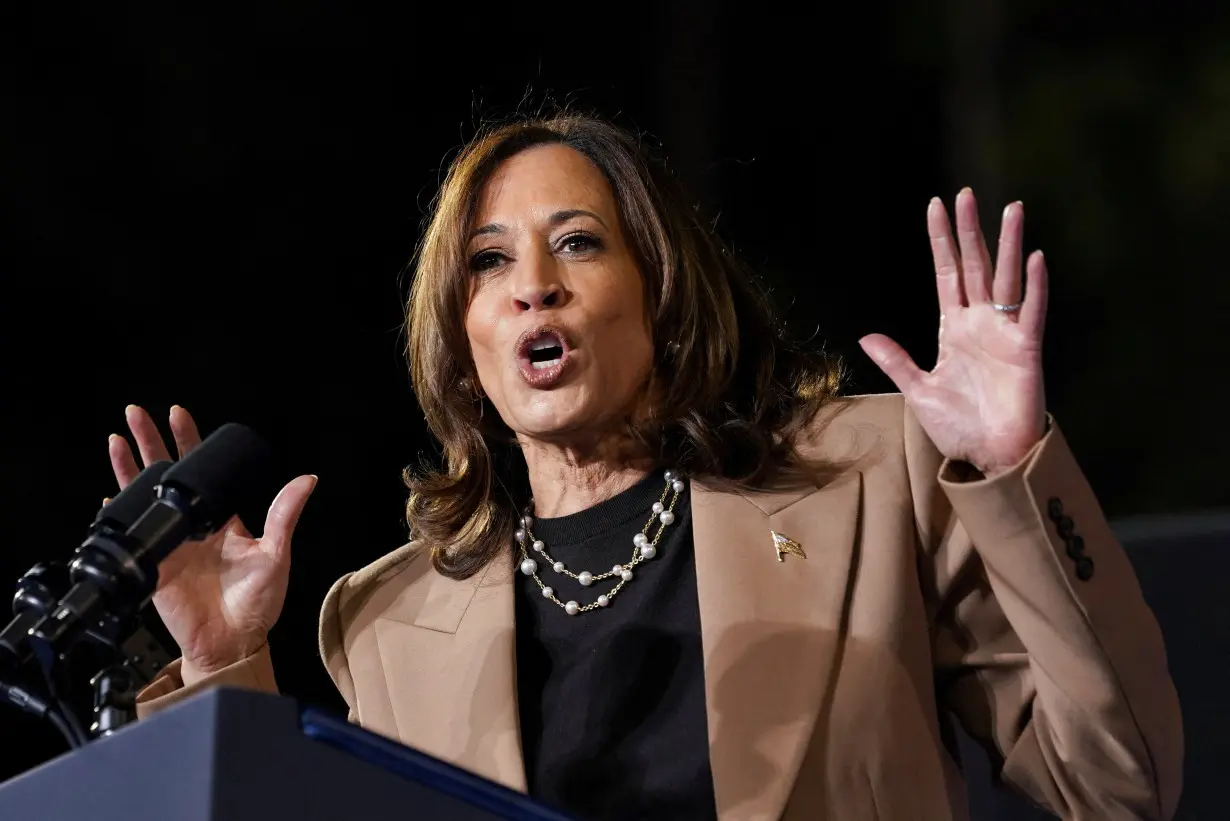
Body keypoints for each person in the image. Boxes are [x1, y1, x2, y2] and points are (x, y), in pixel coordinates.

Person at [113, 112, 1183, 821]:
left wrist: (1012, 473)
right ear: (463, 338)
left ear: (661, 295)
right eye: (490, 262)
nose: (534, 283)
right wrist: (222, 665)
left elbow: (1118, 782)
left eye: (577, 242)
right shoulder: (387, 623)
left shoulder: (869, 480)